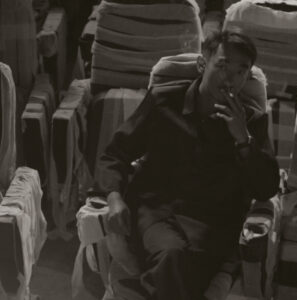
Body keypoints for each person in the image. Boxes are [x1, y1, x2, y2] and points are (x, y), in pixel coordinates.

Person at [91, 30, 280, 300]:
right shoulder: (162, 100)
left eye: (241, 72)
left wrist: (243, 140)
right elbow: (115, 153)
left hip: (211, 223)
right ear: (203, 65)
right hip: (156, 211)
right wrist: (114, 197)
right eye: (223, 66)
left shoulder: (251, 121)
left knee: (180, 268)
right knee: (172, 254)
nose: (231, 79)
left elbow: (266, 188)